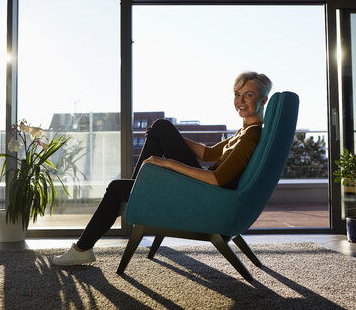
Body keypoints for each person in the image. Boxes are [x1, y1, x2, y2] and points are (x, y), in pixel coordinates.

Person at [52, 71, 272, 266]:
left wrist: (166, 162)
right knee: (161, 127)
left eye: (248, 95)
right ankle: (133, 194)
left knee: (117, 188)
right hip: (208, 194)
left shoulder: (250, 136)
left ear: (263, 99)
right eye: (237, 94)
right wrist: (170, 138)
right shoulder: (245, 132)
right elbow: (209, 154)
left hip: (208, 197)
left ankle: (85, 246)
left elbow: (217, 179)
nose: (240, 100)